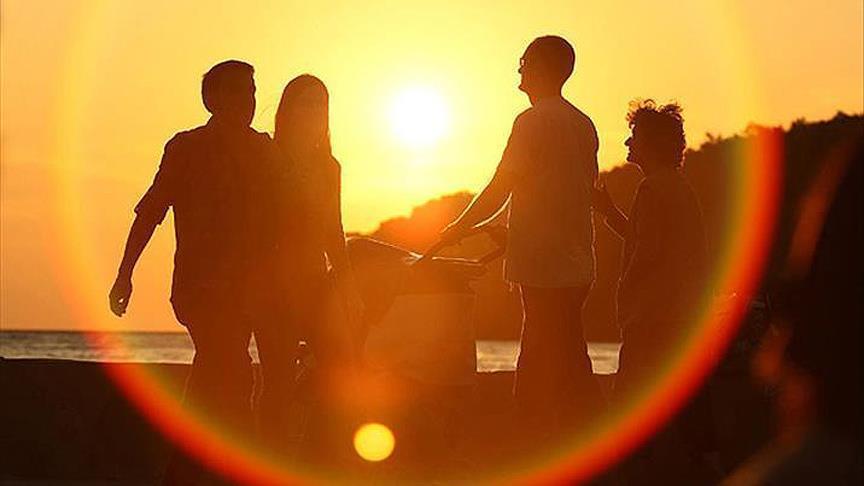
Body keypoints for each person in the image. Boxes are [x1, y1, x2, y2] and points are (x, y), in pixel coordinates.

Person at [108, 60, 278, 484]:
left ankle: (186, 470)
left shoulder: (263, 151)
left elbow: (287, 220)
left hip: (247, 293)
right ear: (212, 99)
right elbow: (150, 212)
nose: (248, 101)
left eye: (253, 92)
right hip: (199, 289)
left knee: (219, 375)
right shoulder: (186, 148)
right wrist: (124, 274)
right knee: (232, 371)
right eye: (238, 91)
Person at [441, 35, 603, 444]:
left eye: (524, 62)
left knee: (541, 353)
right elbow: (577, 193)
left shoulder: (531, 122)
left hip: (543, 265)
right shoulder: (584, 124)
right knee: (567, 350)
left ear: (541, 68)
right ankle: (578, 437)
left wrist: (459, 227)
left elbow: (501, 187)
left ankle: (529, 440)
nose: (519, 69)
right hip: (578, 261)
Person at [592, 100, 711, 483]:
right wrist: (609, 212)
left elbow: (647, 252)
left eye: (635, 137)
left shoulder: (652, 188)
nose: (628, 143)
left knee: (631, 412)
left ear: (651, 143)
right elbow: (645, 238)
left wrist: (627, 295)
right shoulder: (676, 187)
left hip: (652, 318)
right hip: (675, 317)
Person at [271, 74, 363, 465]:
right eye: (304, 102)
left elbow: (333, 229)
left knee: (335, 369)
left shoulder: (330, 166)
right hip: (270, 281)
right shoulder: (267, 156)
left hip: (312, 279)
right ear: (287, 109)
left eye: (319, 104)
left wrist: (347, 286)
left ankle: (319, 457)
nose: (312, 112)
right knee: (276, 374)